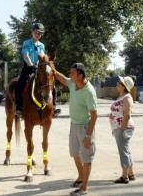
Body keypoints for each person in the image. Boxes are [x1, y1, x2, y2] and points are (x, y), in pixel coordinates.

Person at [52, 63, 97, 196]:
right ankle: (81, 176)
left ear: (80, 75)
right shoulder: (73, 83)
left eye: (72, 73)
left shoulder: (89, 91)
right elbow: (63, 79)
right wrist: (53, 70)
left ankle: (84, 188)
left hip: (85, 127)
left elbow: (94, 115)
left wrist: (88, 136)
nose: (70, 75)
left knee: (87, 157)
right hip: (74, 125)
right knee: (74, 153)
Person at [15, 23, 61, 116]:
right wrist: (31, 65)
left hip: (40, 69)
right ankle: (18, 107)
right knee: (20, 83)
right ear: (32, 32)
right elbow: (25, 55)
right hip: (28, 68)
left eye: (40, 34)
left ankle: (54, 107)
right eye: (36, 33)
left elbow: (43, 57)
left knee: (52, 85)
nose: (37, 35)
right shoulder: (26, 43)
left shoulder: (42, 45)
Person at [109, 76, 135, 184]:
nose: (118, 83)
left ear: (124, 87)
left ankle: (124, 177)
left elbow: (127, 115)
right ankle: (131, 173)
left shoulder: (127, 98)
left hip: (124, 128)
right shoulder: (122, 96)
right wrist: (115, 128)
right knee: (126, 150)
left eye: (120, 82)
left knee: (123, 151)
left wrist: (122, 129)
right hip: (119, 127)